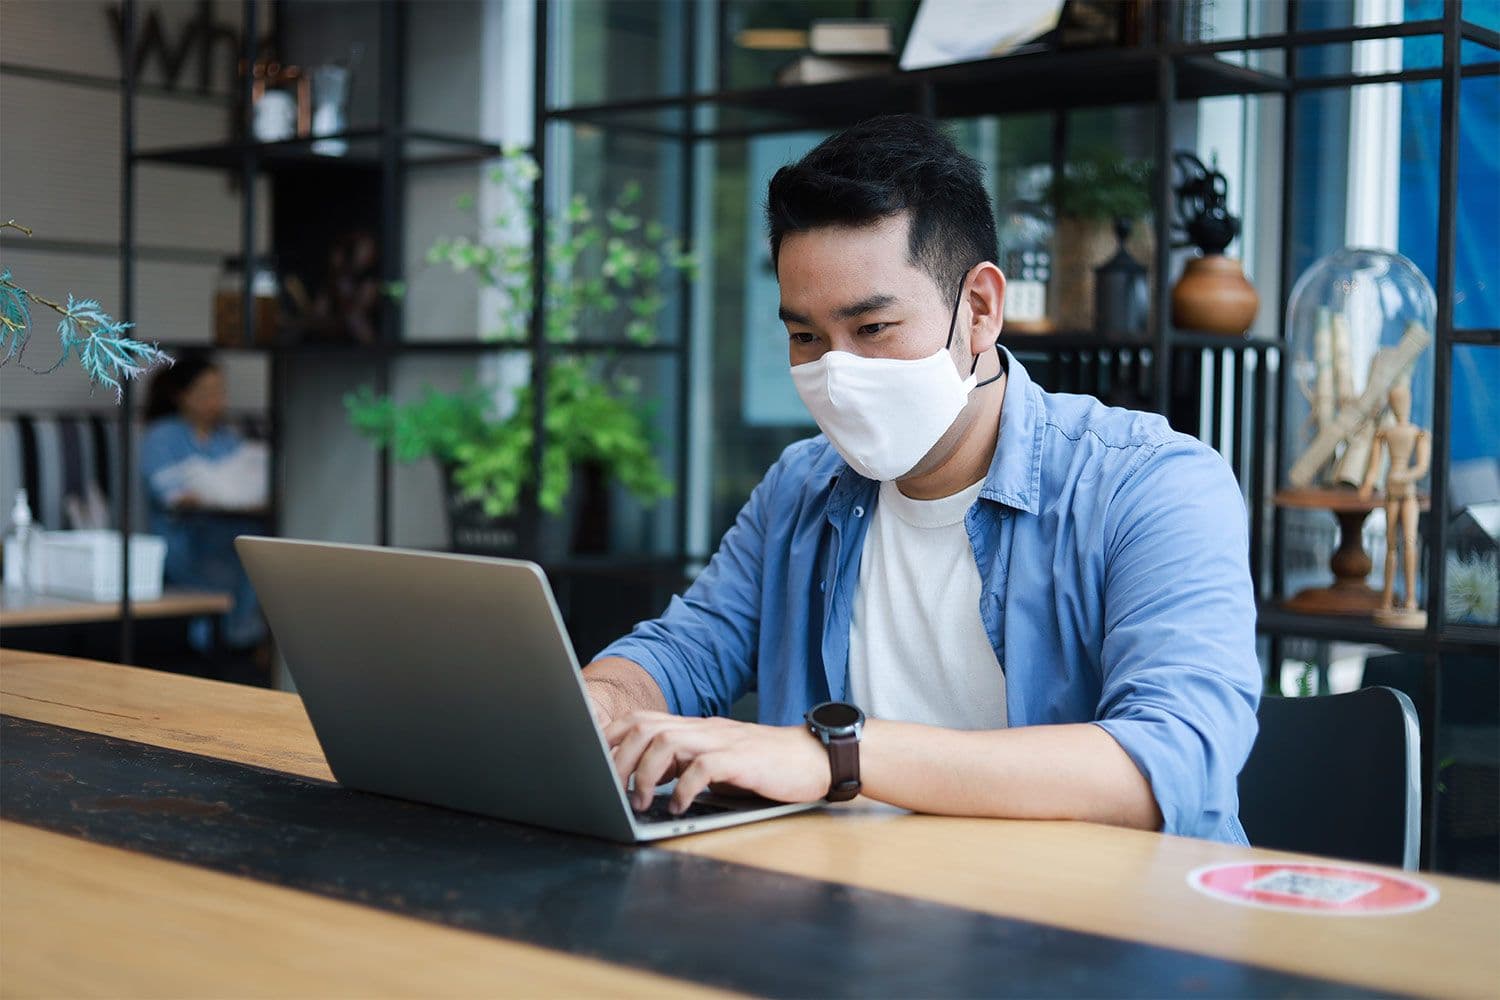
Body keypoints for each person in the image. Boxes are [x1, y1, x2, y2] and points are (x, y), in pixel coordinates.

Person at [584, 114, 1261, 844]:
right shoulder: (800, 489)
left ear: (979, 310)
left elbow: (1174, 763)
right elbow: (684, 653)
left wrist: (838, 756)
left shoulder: (1151, 486)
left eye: (873, 329)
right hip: (846, 923)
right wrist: (603, 700)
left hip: (1096, 935)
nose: (835, 373)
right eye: (805, 335)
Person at [141, 351, 268, 654]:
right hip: (182, 543)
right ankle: (237, 642)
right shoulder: (162, 437)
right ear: (181, 395)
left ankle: (244, 641)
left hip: (226, 536)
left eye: (220, 392)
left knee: (263, 549)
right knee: (249, 560)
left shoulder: (226, 438)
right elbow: (177, 497)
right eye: (206, 393)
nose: (217, 401)